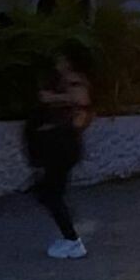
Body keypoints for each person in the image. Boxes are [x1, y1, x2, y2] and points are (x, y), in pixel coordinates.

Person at [27, 48, 92, 259]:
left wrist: (53, 98)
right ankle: (69, 232)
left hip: (65, 145)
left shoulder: (75, 81)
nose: (58, 64)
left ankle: (72, 240)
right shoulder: (62, 82)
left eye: (62, 60)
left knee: (51, 194)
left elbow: (82, 101)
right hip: (60, 145)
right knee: (51, 192)